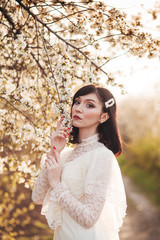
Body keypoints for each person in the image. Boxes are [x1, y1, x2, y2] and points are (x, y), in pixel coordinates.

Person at [32, 84, 127, 240]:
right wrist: (55, 149)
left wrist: (57, 184)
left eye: (89, 105)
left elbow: (89, 218)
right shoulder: (67, 154)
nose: (78, 109)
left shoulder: (102, 156)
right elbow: (37, 197)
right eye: (77, 102)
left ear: (103, 117)